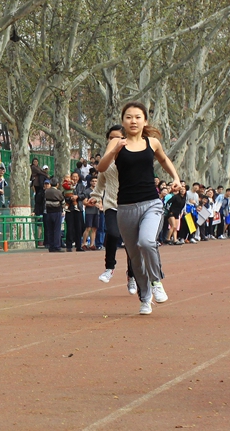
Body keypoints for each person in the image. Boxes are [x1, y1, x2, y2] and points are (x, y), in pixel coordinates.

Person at [96, 101, 181, 315]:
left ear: (145, 121)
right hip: (125, 207)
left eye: (137, 117)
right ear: (123, 121)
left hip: (151, 203)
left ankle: (156, 281)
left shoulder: (152, 142)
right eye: (129, 117)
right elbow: (101, 167)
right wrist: (114, 150)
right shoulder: (116, 143)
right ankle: (145, 298)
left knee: (147, 242)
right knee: (134, 256)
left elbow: (164, 160)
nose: (133, 121)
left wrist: (176, 178)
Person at [89, 125, 137, 294]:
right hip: (111, 204)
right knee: (113, 233)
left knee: (131, 243)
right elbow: (101, 181)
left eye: (119, 137)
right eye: (111, 138)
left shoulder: (132, 157)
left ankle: (132, 276)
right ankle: (109, 268)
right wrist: (95, 196)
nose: (115, 140)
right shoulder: (106, 160)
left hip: (130, 205)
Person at [64, 171, 87, 252]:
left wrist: (77, 196)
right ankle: (69, 245)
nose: (74, 178)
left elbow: (84, 195)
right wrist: (70, 198)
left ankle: (78, 245)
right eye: (73, 176)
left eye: (76, 177)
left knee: (79, 228)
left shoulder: (81, 186)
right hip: (69, 209)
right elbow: (64, 195)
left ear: (78, 178)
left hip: (78, 209)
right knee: (70, 228)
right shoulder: (67, 185)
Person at [44, 178, 65, 253]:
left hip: (48, 212)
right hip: (56, 212)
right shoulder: (58, 192)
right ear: (57, 184)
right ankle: (57, 246)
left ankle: (51, 246)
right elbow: (63, 201)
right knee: (57, 230)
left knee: (50, 230)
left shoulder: (46, 191)